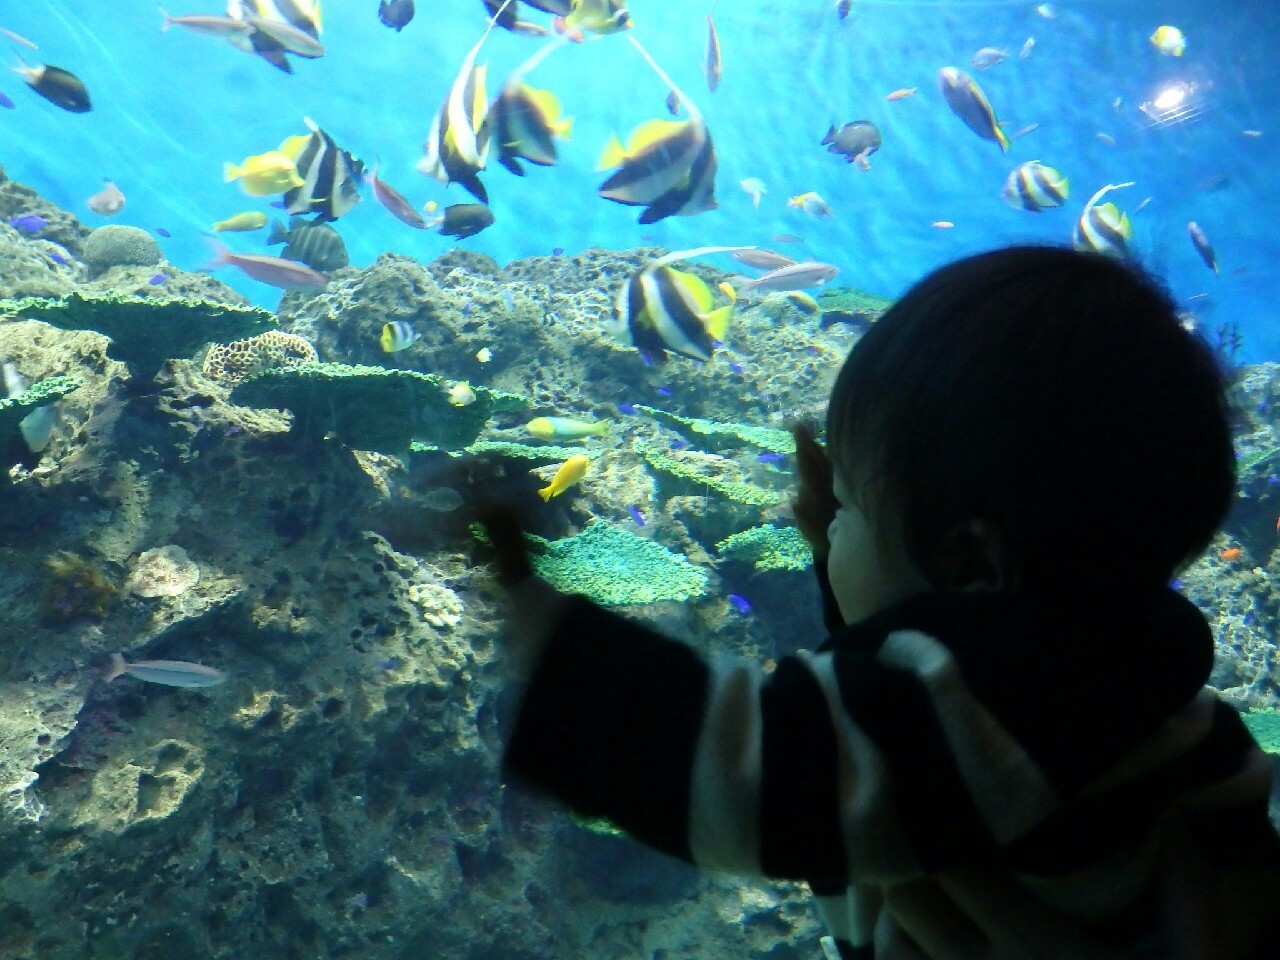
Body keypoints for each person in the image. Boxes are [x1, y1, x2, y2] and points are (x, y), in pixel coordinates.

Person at [480, 246, 1280, 960]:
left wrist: (552, 634)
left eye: (852, 506)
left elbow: (761, 776)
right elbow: (902, 675)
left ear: (971, 562)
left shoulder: (1014, 708)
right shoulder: (1114, 684)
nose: (830, 523)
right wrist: (843, 554)